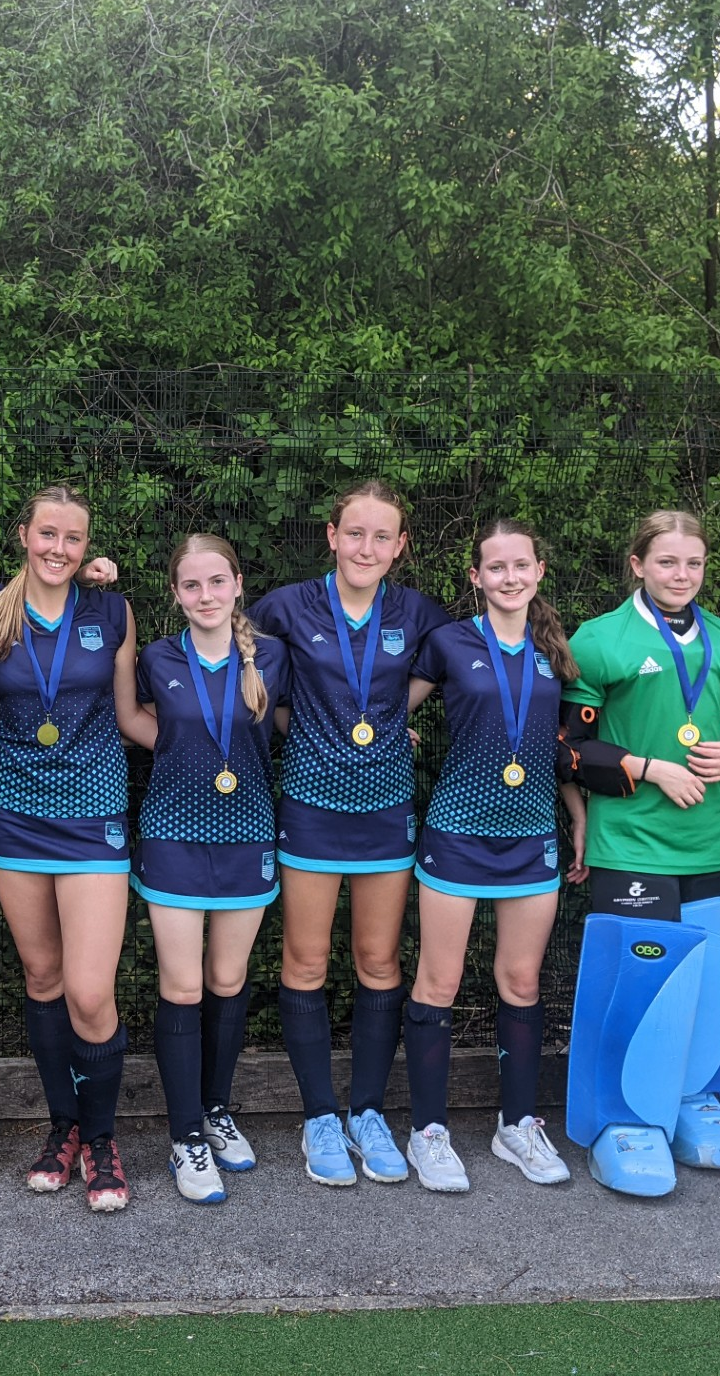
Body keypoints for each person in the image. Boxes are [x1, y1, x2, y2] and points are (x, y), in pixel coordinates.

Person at [248, 480, 451, 1188]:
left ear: (400, 546)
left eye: (382, 536)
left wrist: (392, 717)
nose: (367, 548)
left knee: (378, 961)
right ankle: (319, 1118)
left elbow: (442, 671)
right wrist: (299, 725)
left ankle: (366, 1112)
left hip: (386, 807)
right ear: (332, 536)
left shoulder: (418, 613)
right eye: (355, 533)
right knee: (305, 963)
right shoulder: (284, 607)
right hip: (310, 804)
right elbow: (241, 670)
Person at [561, 510, 720, 1197]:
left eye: (693, 563)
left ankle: (690, 1100)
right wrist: (648, 769)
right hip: (632, 843)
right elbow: (569, 749)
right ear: (638, 565)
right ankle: (625, 1120)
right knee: (640, 980)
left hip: (711, 842)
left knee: (704, 982)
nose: (682, 575)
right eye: (667, 562)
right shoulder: (598, 640)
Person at [0, 484, 150, 1213]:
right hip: (16, 815)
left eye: (74, 538)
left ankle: (102, 1139)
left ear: (87, 547)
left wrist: (212, 740)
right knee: (42, 979)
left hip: (93, 815)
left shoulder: (113, 612)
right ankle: (64, 1127)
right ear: (24, 535)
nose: (60, 549)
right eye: (48, 534)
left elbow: (130, 713)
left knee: (90, 992)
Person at [406, 519, 584, 1192]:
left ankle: (517, 1126)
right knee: (439, 983)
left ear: (539, 572)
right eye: (496, 567)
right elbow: (388, 708)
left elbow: (560, 747)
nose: (510, 577)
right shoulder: (449, 642)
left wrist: (578, 816)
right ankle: (428, 1131)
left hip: (532, 834)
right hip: (457, 830)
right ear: (476, 577)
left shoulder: (554, 651)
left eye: (521, 565)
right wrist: (393, 734)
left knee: (522, 982)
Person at [132, 535, 291, 1204]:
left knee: (227, 979)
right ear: (175, 593)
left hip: (247, 833)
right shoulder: (156, 658)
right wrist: (178, 745)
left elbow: (293, 721)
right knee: (182, 985)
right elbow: (130, 717)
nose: (206, 596)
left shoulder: (272, 657)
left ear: (237, 584)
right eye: (192, 585)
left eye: (216, 582)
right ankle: (184, 1136)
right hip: (173, 834)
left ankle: (215, 1110)